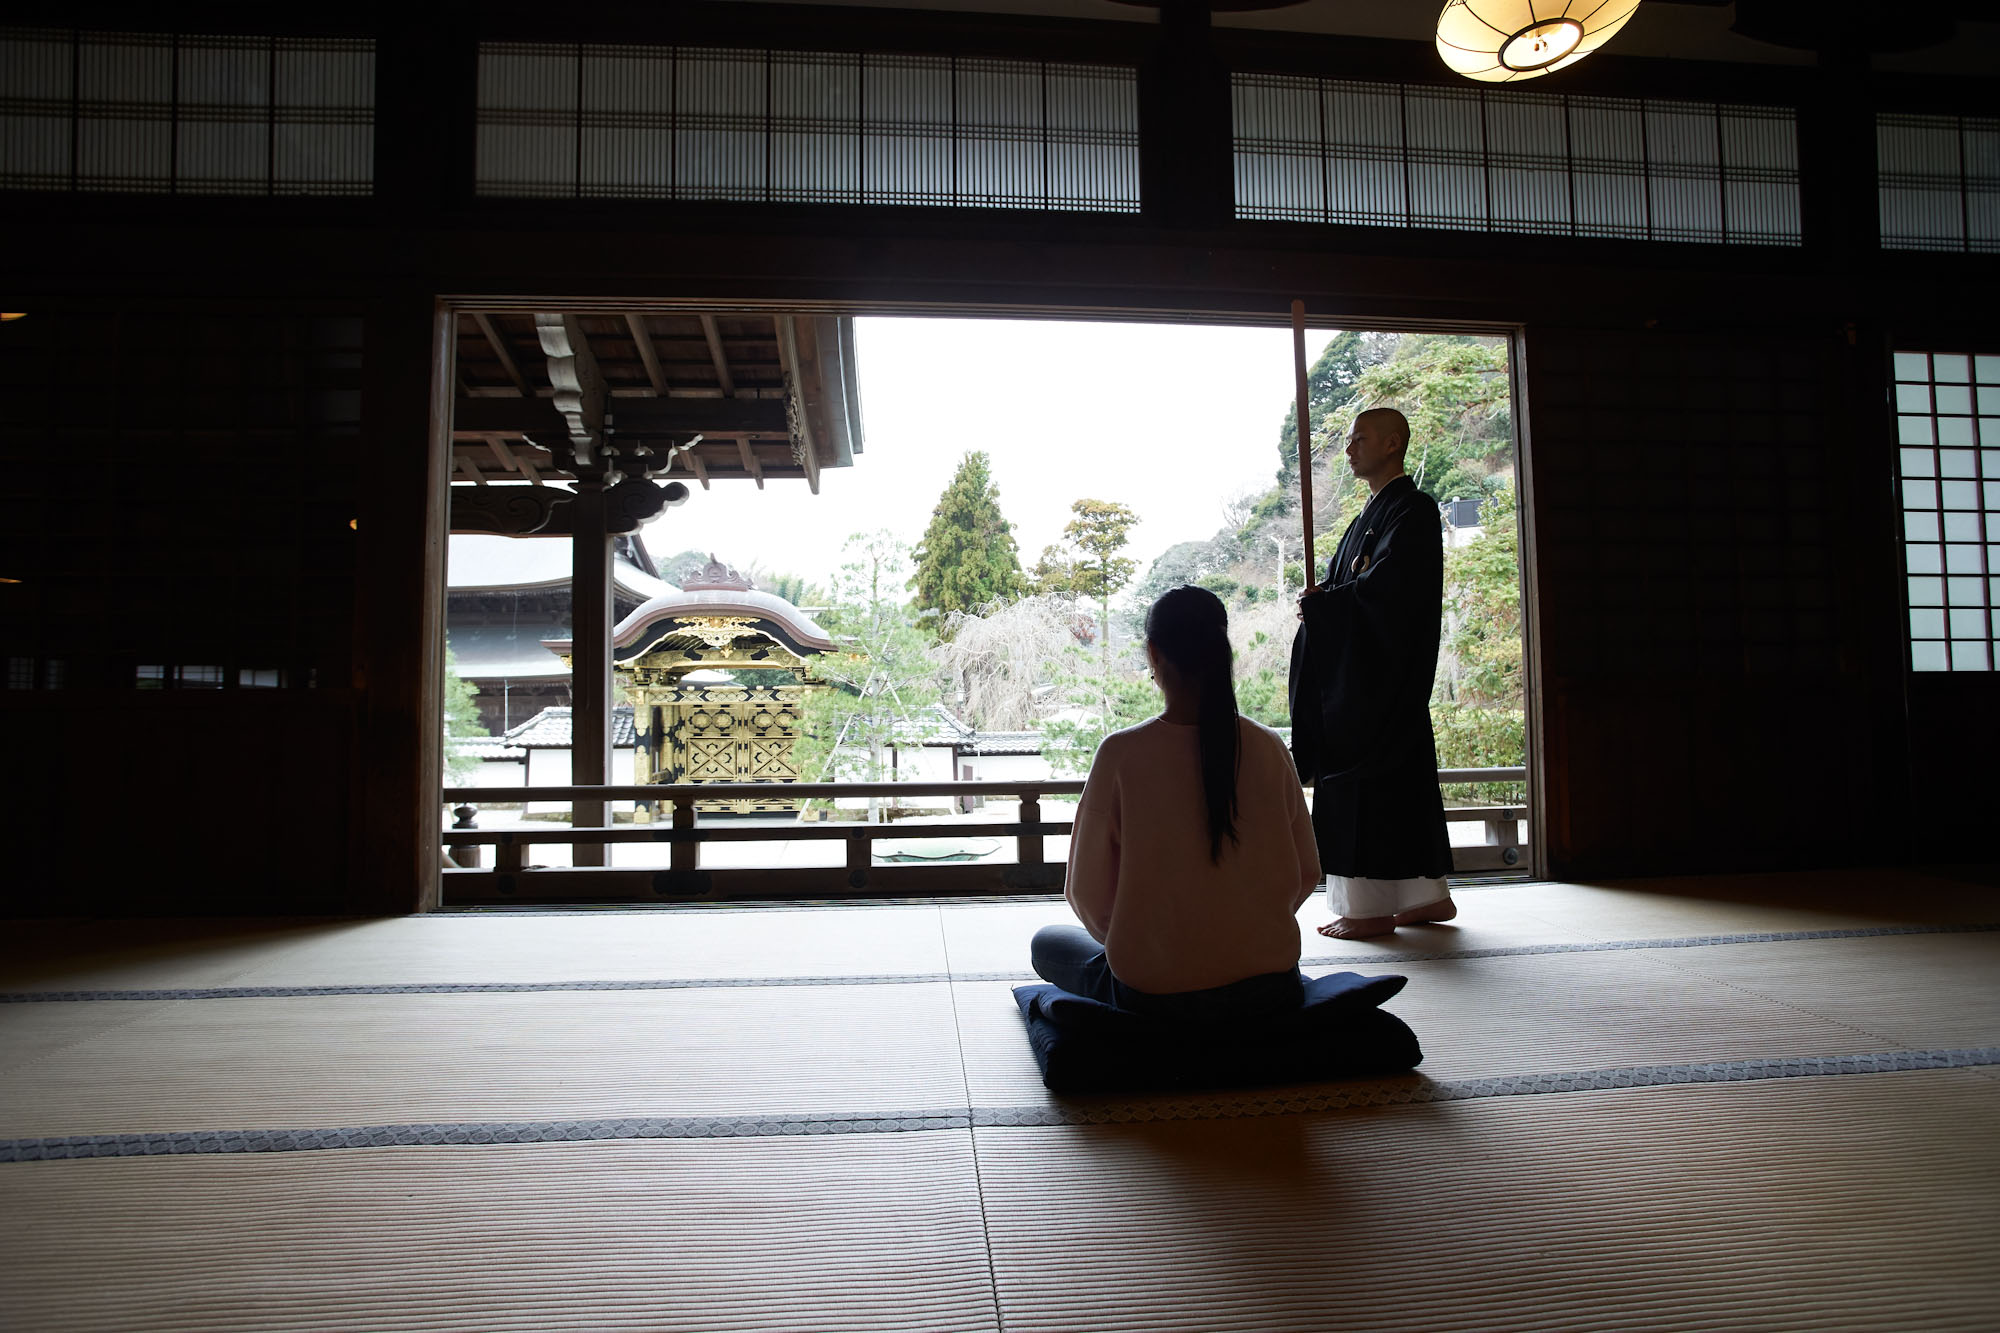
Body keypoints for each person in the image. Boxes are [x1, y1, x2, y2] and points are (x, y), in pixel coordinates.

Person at [1030, 585, 1321, 1022]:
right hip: (1270, 988)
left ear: (1153, 653)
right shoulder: (1269, 746)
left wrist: (1147, 947)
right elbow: (1307, 872)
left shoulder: (1121, 754)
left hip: (1156, 995)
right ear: (1222, 652)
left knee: (1048, 943)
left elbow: (1085, 895)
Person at [1288, 407, 1456, 940]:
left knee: (1368, 789)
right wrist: (1321, 604)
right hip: (1362, 680)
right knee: (1400, 789)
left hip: (1383, 682)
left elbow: (1391, 595)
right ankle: (1425, 898)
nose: (1349, 448)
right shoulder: (1367, 519)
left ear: (1393, 443)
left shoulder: (1415, 511)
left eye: (1360, 438)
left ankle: (1367, 909)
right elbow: (1346, 591)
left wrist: (1328, 609)